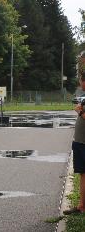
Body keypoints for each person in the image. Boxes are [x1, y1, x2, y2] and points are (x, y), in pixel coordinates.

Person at [64, 73, 85, 215]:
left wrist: (80, 111)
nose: (80, 84)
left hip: (83, 143)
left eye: (81, 81)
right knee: (83, 175)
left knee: (83, 174)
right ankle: (81, 205)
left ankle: (82, 206)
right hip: (80, 142)